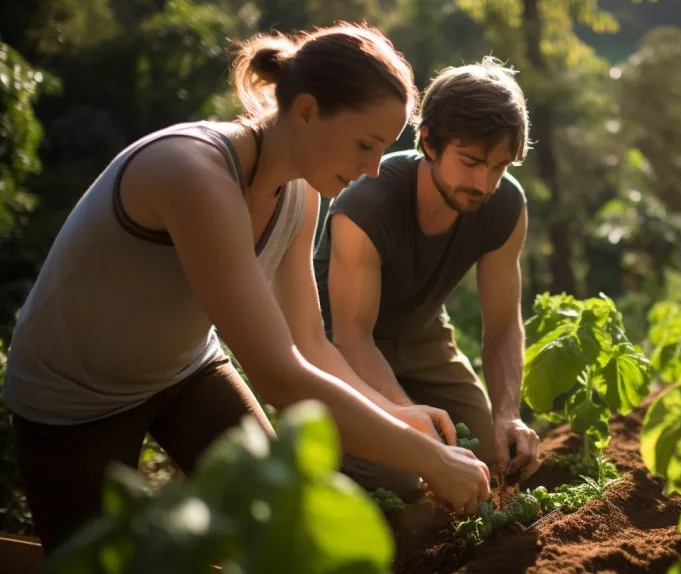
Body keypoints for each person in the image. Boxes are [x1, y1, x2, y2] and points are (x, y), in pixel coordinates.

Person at [0, 22, 492, 556]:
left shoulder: (302, 193)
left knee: (284, 530)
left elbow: (308, 341)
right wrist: (432, 461)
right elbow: (279, 375)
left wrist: (393, 412)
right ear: (305, 112)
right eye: (365, 145)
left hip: (185, 371)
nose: (373, 170)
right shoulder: (191, 170)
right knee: (95, 565)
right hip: (75, 399)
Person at [312, 57, 541, 498]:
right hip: (338, 346)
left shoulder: (506, 206)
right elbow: (352, 338)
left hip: (423, 335)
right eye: (471, 161)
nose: (484, 182)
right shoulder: (367, 205)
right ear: (430, 142)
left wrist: (508, 414)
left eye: (499, 166)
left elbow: (502, 325)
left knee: (493, 459)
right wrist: (411, 424)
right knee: (407, 485)